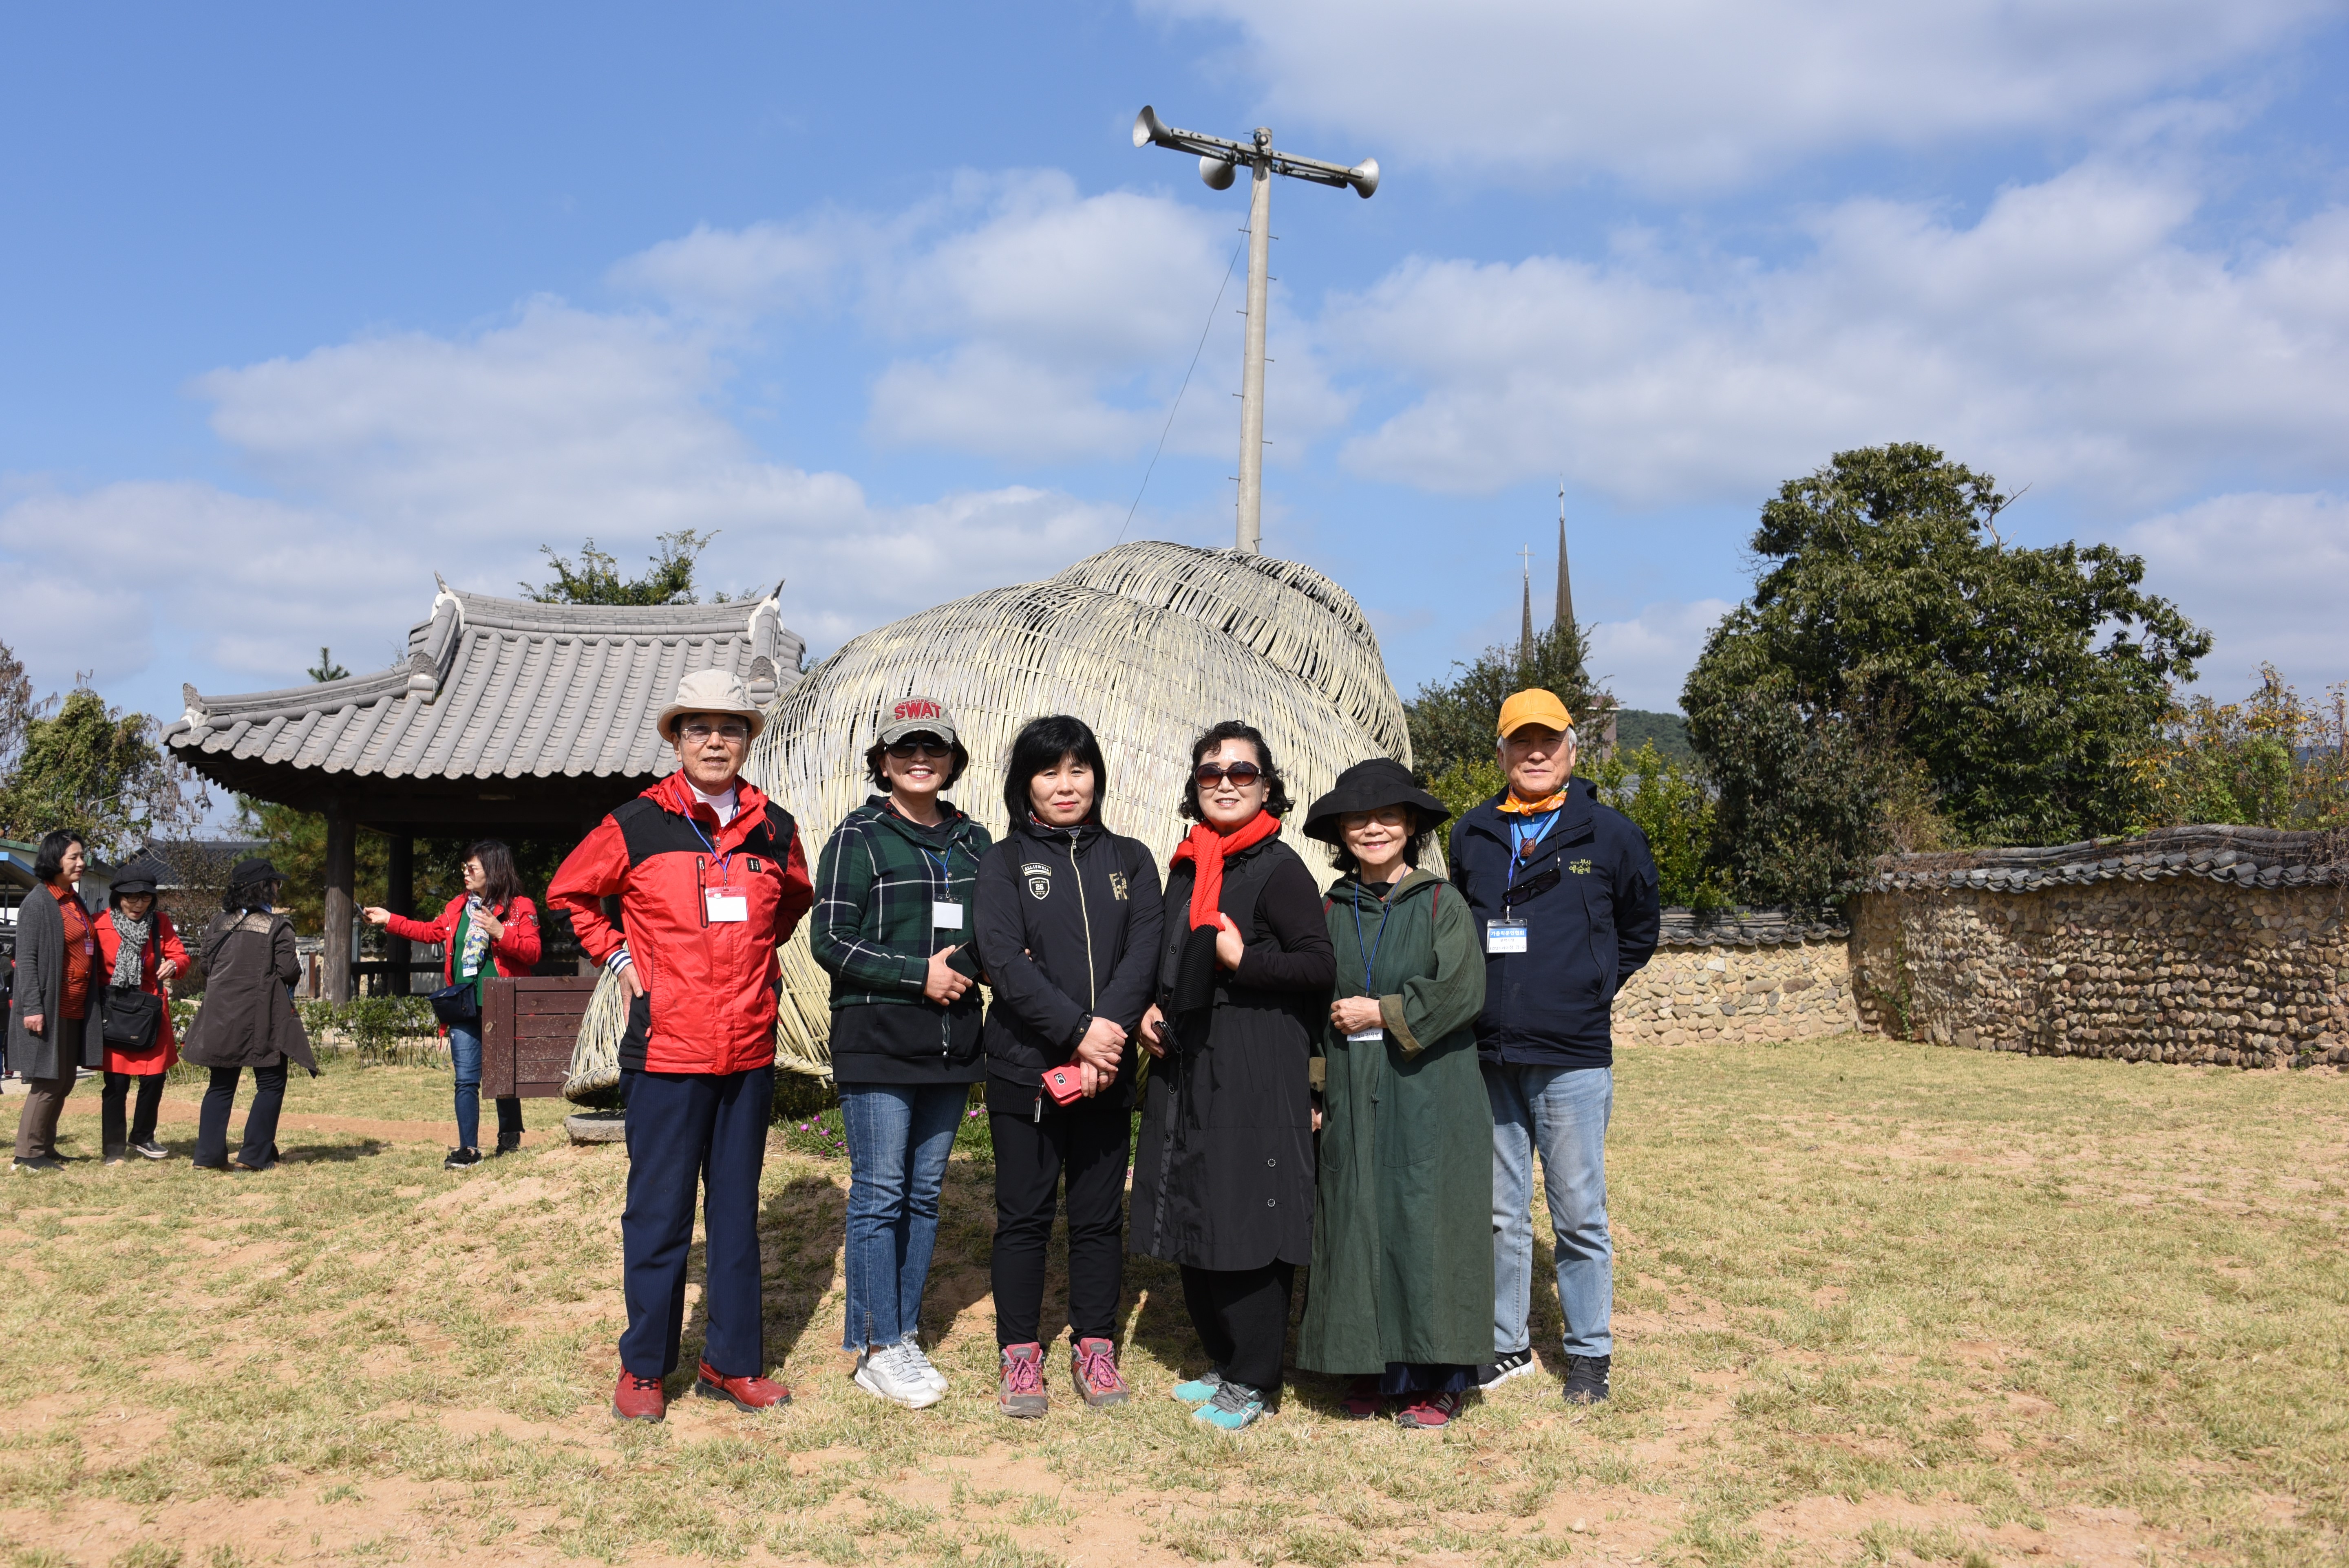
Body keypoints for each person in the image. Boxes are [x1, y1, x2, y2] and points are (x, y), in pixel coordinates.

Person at [548, 668, 814, 1423]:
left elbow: (791, 900)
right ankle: (643, 1368)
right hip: (666, 1050)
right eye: (698, 727)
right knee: (658, 1214)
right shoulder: (635, 822)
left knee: (735, 1215)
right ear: (676, 739)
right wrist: (622, 957)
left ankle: (731, 1362)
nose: (715, 740)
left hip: (748, 1051)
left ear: (748, 739)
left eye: (729, 727)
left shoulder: (777, 829)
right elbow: (569, 891)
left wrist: (754, 960)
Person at [1450, 689, 1660, 1405]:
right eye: (1520, 741)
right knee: (1500, 1209)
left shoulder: (1610, 833)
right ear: (1502, 752)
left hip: (1571, 1051)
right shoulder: (1473, 833)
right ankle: (1507, 1344)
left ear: (1572, 749)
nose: (1534, 753)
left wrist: (1589, 984)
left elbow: (1639, 928)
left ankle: (1589, 1354)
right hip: (1489, 1051)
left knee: (1578, 1211)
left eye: (1548, 741)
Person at [1131, 721, 1334, 1431]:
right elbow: (1167, 957)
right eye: (1211, 771)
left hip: (1253, 1064)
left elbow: (1317, 965)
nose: (1225, 781)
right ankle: (1222, 1360)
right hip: (1191, 1061)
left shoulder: (1279, 869)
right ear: (1193, 787)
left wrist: (1243, 961)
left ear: (1267, 787)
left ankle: (1254, 1376)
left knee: (1249, 1214)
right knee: (1197, 1204)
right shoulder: (1187, 863)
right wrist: (1151, 1011)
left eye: (1241, 772)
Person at [972, 715, 1164, 1417]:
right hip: (1027, 1070)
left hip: (1107, 1073)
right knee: (1022, 1217)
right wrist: (1080, 1033)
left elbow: (1144, 952)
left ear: (1096, 777)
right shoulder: (1001, 863)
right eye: (1049, 770)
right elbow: (1003, 964)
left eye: (1078, 769)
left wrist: (1103, 1040)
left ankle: (1095, 1343)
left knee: (1095, 1218)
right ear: (1025, 781)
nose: (1064, 784)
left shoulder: (1131, 860)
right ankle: (1020, 1354)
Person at [1294, 760, 1491, 1428]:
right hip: (1352, 1086)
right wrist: (1315, 1088)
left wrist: (1382, 1011)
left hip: (1429, 1087)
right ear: (1341, 832)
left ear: (1410, 827)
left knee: (1425, 1222)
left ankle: (1439, 1379)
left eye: (1387, 817)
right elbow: (1312, 1009)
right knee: (1356, 1218)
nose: (1373, 828)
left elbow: (1463, 990)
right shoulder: (1328, 909)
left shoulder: (1440, 902)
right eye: (1359, 819)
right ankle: (1368, 1368)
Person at [808, 693, 991, 1410]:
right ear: (882, 760)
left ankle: (903, 1329)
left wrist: (967, 967)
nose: (920, 758)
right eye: (904, 747)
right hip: (878, 1038)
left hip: (951, 1042)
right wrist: (919, 973)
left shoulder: (976, 841)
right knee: (881, 1193)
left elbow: (998, 929)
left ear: (951, 760)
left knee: (923, 1193)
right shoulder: (859, 837)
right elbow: (830, 940)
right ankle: (878, 1345)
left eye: (934, 747)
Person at [364, 840, 543, 1168]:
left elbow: (533, 952)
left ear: (494, 870)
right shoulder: (457, 908)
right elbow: (428, 931)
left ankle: (509, 1136)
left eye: (472, 868)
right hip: (462, 1004)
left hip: (502, 1003)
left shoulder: (520, 907)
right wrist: (389, 918)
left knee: (503, 1075)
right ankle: (469, 1148)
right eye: (465, 867)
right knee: (465, 1078)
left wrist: (500, 931)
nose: (465, 873)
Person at [182, 857, 318, 1172]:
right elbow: (288, 970)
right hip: (262, 1017)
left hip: (220, 1015)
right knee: (270, 1084)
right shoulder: (277, 926)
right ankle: (254, 1155)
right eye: (275, 883)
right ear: (264, 888)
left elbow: (205, 965)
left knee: (220, 1085)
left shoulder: (218, 923)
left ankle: (207, 1156)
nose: (278, 888)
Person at [9, 831, 106, 1171]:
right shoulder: (38, 902)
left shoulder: (72, 900)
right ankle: (28, 1153)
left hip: (74, 1004)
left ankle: (46, 1147)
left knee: (63, 1079)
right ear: (55, 860)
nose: (82, 863)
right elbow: (28, 961)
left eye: (83, 856)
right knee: (47, 1080)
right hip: (48, 1007)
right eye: (74, 858)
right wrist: (33, 1007)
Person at [92, 855, 192, 1164]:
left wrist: (174, 964)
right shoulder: (99, 924)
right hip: (115, 1008)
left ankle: (143, 1135)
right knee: (116, 1083)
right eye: (131, 897)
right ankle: (114, 1148)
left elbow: (181, 956)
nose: (138, 904)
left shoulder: (160, 923)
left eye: (145, 897)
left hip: (150, 1009)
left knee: (154, 1078)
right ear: (117, 897)